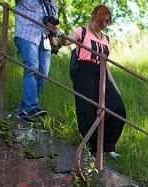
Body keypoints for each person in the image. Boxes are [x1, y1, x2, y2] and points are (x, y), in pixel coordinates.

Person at [56, 5, 126, 158]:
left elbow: (105, 64)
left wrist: (114, 85)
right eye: (102, 21)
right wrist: (60, 35)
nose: (104, 24)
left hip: (101, 72)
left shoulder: (106, 38)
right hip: (84, 72)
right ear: (94, 16)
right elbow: (66, 42)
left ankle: (108, 146)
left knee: (118, 109)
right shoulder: (81, 31)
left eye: (107, 22)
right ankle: (93, 149)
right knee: (88, 112)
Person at [13, 0, 58, 121]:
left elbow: (54, 25)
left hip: (45, 41)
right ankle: (32, 107)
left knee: (42, 76)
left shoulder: (53, 3)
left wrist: (52, 28)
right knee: (32, 68)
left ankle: (22, 112)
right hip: (26, 34)